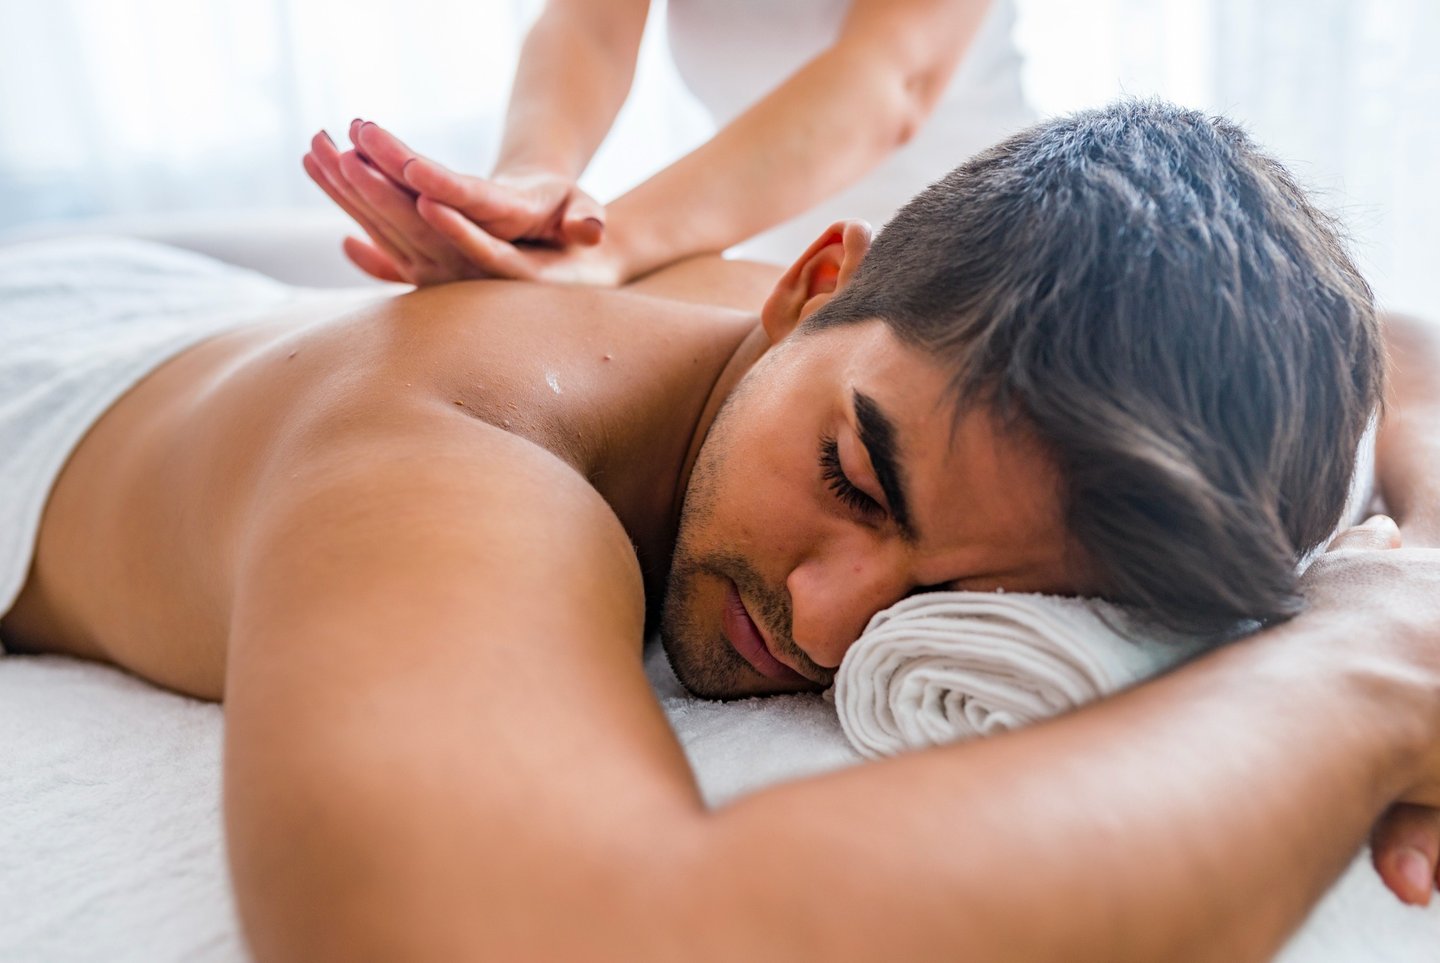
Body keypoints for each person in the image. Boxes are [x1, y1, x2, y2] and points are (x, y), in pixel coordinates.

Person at [2, 102, 1440, 960]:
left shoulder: (890, 347)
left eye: (958, 601)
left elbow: (1407, 354)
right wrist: (1372, 665)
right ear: (814, 282)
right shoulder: (450, 447)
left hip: (190, 317)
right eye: (855, 481)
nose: (823, 621)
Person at [302, 0, 1032, 286]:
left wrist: (609, 243)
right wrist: (531, 182)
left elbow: (888, 82)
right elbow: (588, 28)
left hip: (982, 251)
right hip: (783, 253)